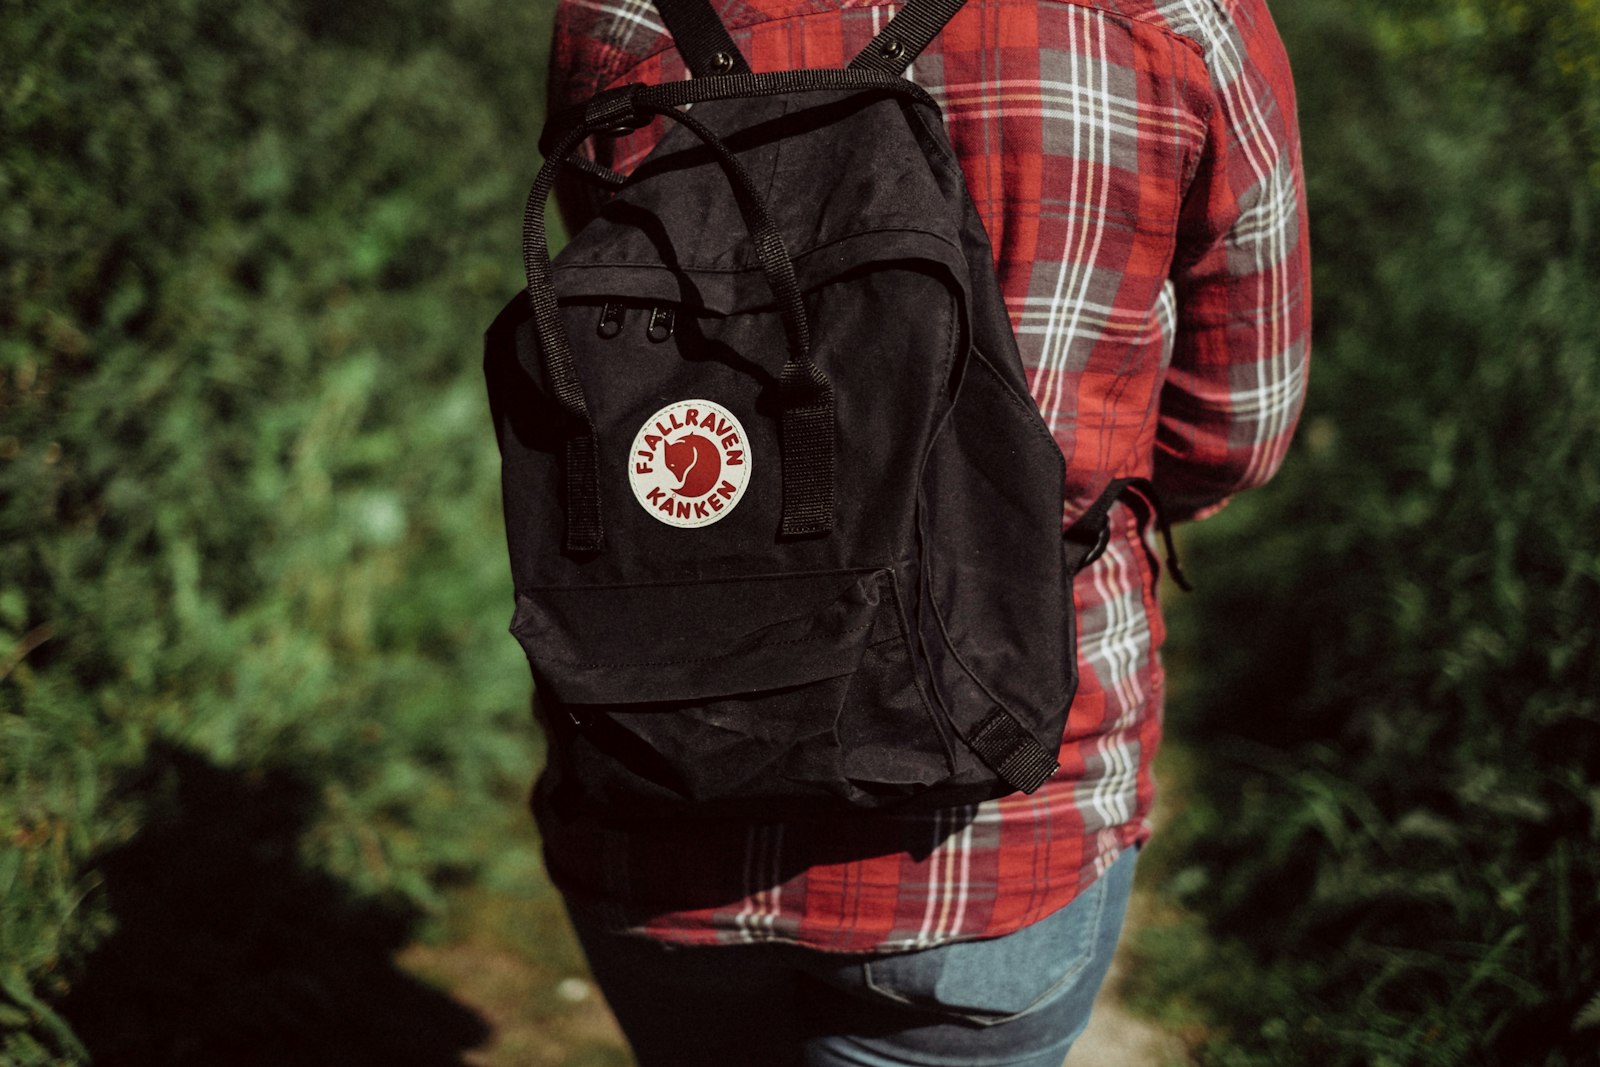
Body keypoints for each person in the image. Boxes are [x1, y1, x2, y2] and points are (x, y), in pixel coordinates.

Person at [536, 0, 1310, 1063]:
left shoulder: (622, 13)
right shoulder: (1180, 19)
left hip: (662, 778)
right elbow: (1234, 429)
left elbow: (624, 354)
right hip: (991, 817)